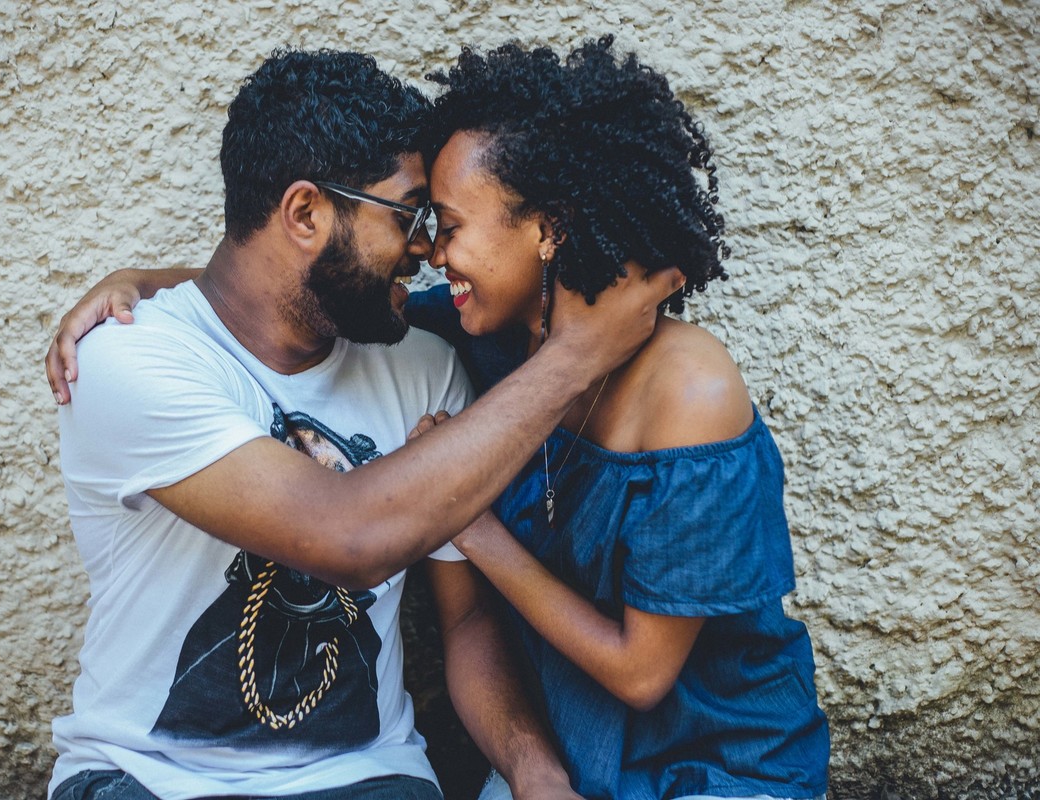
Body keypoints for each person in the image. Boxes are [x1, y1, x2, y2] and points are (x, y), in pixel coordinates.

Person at [48, 38, 830, 800]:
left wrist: (529, 764)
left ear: (546, 230)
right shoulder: (476, 343)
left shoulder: (466, 360)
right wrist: (144, 280)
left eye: (445, 225)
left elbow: (593, 658)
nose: (427, 253)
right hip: (150, 779)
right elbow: (278, 313)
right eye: (416, 220)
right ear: (304, 213)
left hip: (698, 763)